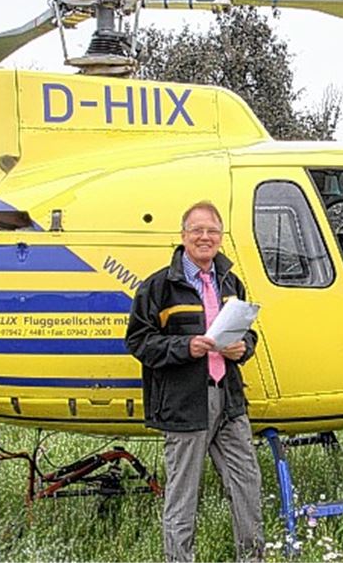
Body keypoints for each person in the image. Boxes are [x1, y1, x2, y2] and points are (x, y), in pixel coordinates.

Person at [126, 201, 264, 562]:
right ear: (183, 235)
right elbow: (139, 342)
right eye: (197, 230)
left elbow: (250, 335)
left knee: (247, 483)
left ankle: (252, 558)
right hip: (185, 403)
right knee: (183, 496)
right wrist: (184, 346)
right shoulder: (158, 286)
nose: (205, 237)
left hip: (229, 399)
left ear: (220, 237)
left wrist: (242, 348)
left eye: (212, 231)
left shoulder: (230, 282)